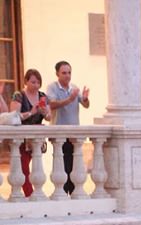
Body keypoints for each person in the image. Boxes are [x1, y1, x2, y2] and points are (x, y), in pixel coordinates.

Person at [46, 60, 90, 195]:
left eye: (69, 72)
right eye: (64, 73)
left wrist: (86, 98)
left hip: (73, 134)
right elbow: (51, 104)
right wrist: (69, 100)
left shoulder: (74, 88)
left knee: (73, 164)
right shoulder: (52, 87)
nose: (67, 75)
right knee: (62, 164)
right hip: (59, 133)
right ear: (57, 74)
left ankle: (73, 191)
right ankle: (62, 193)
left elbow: (85, 105)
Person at [10, 69, 51, 197]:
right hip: (21, 137)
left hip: (36, 138)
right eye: (33, 82)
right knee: (23, 167)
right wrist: (31, 112)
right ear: (26, 81)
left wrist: (45, 112)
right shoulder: (18, 95)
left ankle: (32, 193)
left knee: (35, 166)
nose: (36, 85)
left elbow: (49, 117)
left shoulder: (43, 95)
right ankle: (29, 194)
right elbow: (14, 116)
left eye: (38, 82)